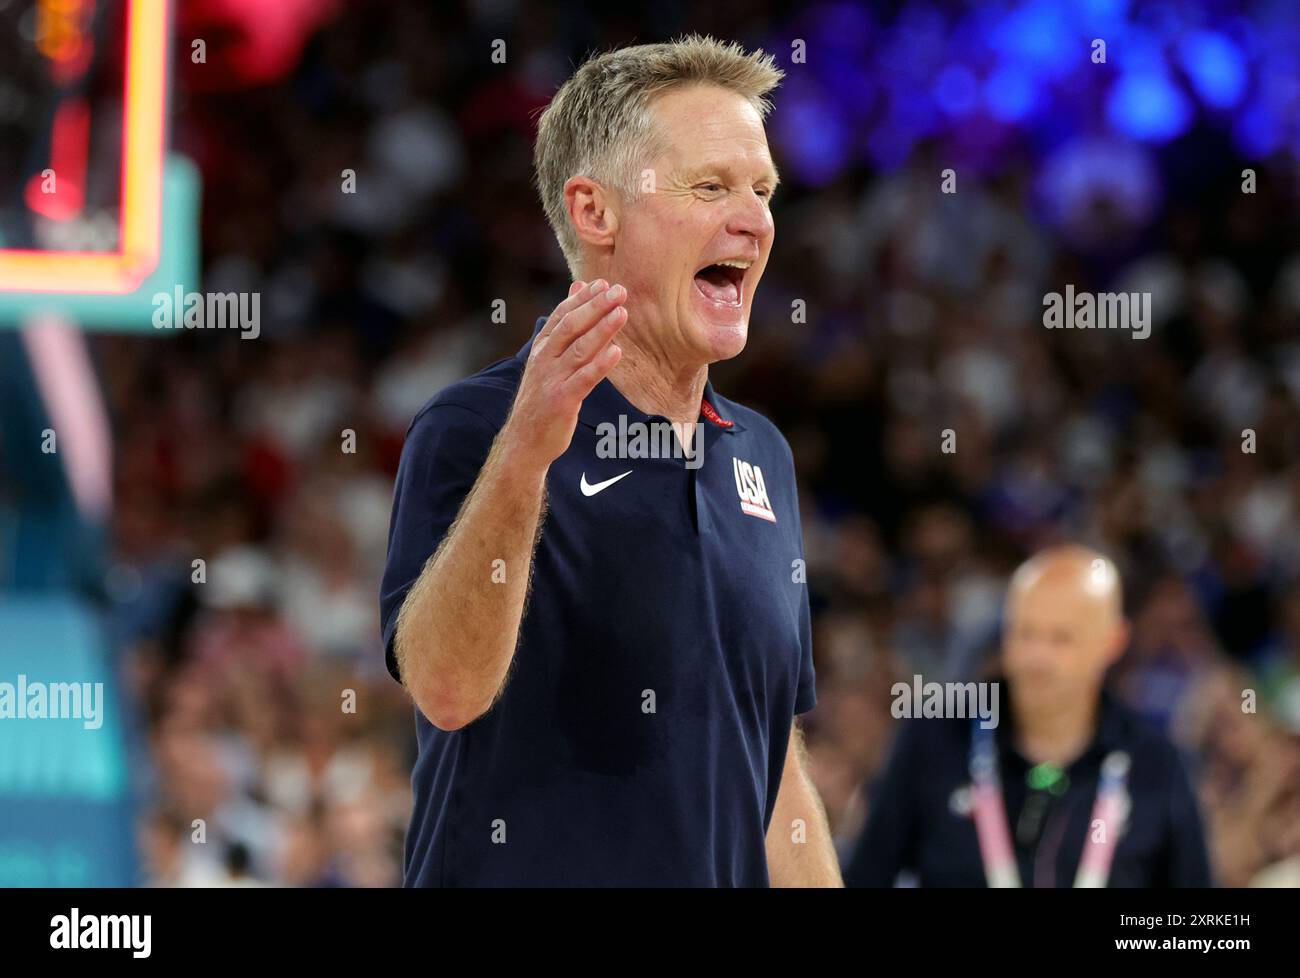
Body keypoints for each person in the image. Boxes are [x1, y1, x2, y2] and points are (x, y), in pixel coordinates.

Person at [380, 36, 840, 886]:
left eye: (763, 189)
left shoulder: (763, 457)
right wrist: (524, 457)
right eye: (711, 186)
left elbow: (769, 764)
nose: (753, 218)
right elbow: (445, 691)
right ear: (595, 213)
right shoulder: (473, 427)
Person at [845, 545, 1211, 887]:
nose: (1036, 658)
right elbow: (865, 875)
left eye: (1060, 639)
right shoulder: (935, 735)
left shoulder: (1154, 761)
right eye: (1024, 633)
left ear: (1112, 641)